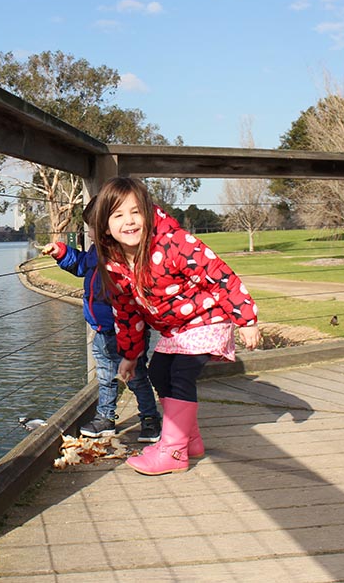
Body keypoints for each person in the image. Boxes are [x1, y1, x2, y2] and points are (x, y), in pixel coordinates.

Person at [91, 177, 261, 475]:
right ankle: (188, 440)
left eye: (135, 212)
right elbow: (127, 312)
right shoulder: (115, 264)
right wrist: (130, 355)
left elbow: (220, 276)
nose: (129, 222)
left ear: (147, 212)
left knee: (181, 373)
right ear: (105, 226)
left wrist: (245, 318)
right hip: (177, 330)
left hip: (208, 318)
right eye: (118, 215)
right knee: (158, 370)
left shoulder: (173, 243)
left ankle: (173, 451)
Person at [41, 197, 161, 441]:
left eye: (94, 227)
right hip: (102, 331)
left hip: (129, 332)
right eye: (89, 228)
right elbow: (82, 265)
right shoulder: (96, 252)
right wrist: (61, 252)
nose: (91, 233)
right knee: (105, 378)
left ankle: (150, 420)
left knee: (137, 378)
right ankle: (106, 418)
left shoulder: (127, 255)